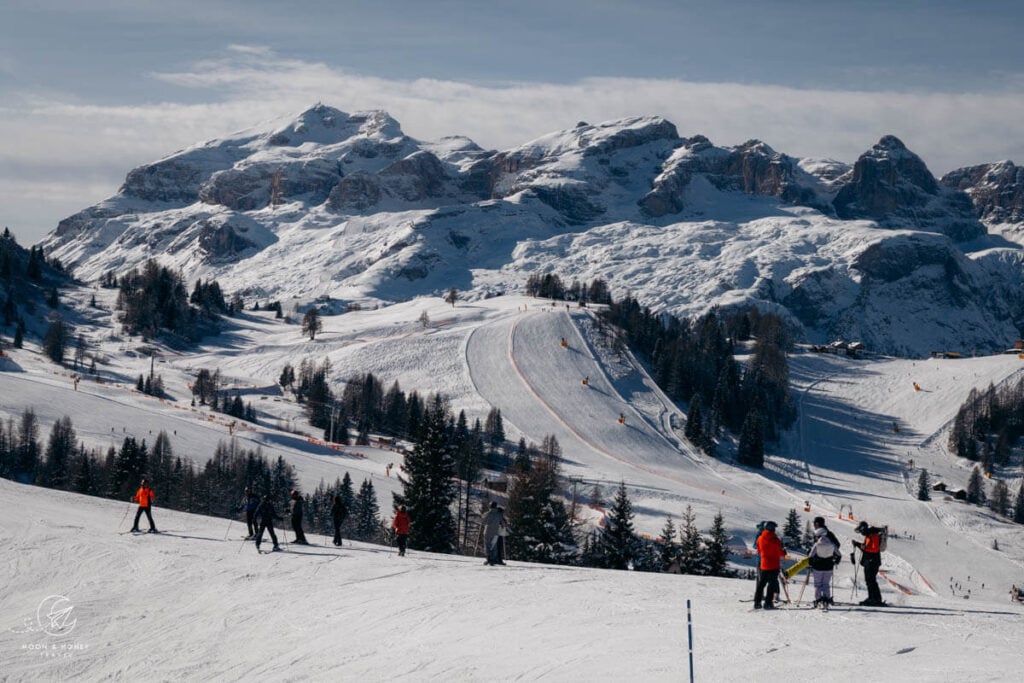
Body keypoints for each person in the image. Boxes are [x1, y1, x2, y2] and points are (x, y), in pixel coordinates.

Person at [852, 520, 885, 606]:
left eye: (861, 531)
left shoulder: (873, 535)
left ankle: (875, 599)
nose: (861, 533)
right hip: (870, 561)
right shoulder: (869, 535)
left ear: (863, 529)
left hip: (872, 561)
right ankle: (873, 598)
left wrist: (861, 546)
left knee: (871, 580)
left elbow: (874, 549)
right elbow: (867, 547)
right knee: (869, 580)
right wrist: (858, 544)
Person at [754, 521, 786, 609]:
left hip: (764, 564)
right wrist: (784, 552)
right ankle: (768, 603)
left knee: (761, 583)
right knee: (771, 584)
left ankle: (757, 602)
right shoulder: (776, 540)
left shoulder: (760, 538)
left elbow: (759, 551)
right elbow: (780, 553)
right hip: (774, 565)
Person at [808, 527, 837, 608]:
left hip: (817, 567)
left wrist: (810, 563)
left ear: (819, 535)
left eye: (816, 536)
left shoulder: (817, 544)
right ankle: (826, 599)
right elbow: (838, 554)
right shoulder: (832, 544)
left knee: (818, 585)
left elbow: (810, 556)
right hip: (828, 567)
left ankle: (818, 600)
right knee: (826, 584)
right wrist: (835, 561)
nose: (815, 537)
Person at [482, 501, 507, 566]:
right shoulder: (499, 514)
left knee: (487, 545)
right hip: (495, 532)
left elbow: (483, 521)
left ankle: (489, 559)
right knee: (494, 546)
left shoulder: (487, 513)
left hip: (487, 532)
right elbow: (503, 523)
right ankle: (494, 559)